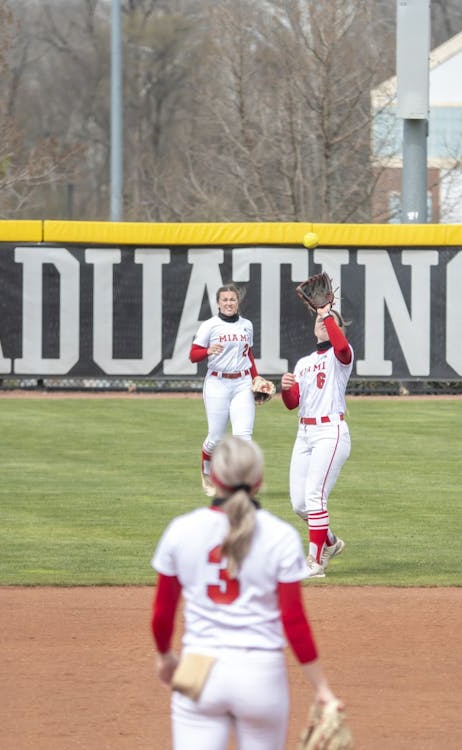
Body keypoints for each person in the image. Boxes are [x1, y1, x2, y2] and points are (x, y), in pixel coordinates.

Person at [150, 436, 340, 750]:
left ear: (214, 477)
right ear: (259, 481)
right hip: (260, 675)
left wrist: (164, 657)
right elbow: (294, 621)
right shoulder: (281, 536)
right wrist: (321, 687)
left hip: (197, 670)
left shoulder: (181, 530)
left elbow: (162, 614)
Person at [280, 301, 353, 579]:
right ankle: (331, 543)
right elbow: (292, 403)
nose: (322, 322)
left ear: (336, 327)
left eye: (328, 320)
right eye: (320, 320)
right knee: (299, 503)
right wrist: (286, 389)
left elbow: (343, 348)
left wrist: (328, 315)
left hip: (330, 432)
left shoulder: (340, 356)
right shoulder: (303, 363)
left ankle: (314, 562)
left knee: (314, 497)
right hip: (305, 433)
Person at [190, 284, 259, 496]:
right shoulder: (210, 326)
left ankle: (241, 483)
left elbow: (248, 354)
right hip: (217, 382)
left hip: (242, 383)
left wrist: (256, 379)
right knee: (216, 437)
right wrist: (207, 350)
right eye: (225, 299)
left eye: (232, 299)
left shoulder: (247, 325)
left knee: (244, 436)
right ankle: (207, 472)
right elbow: (193, 355)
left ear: (238, 302)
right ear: (218, 303)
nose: (229, 303)